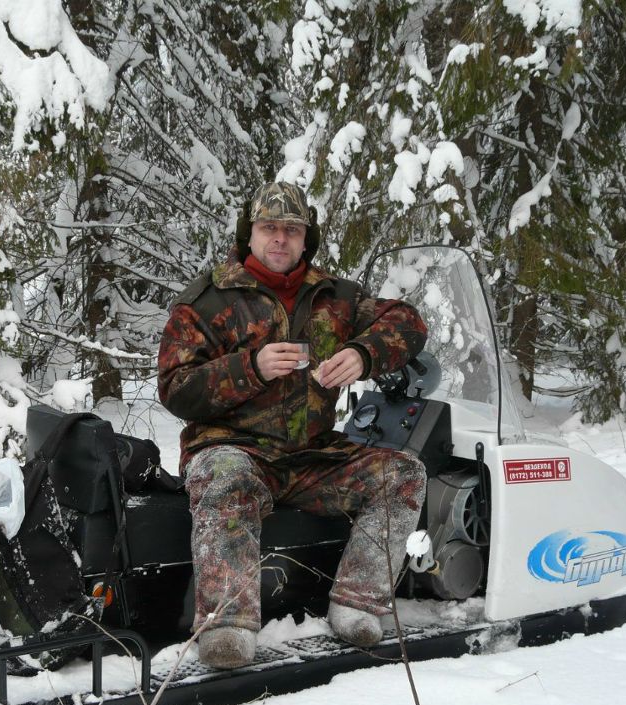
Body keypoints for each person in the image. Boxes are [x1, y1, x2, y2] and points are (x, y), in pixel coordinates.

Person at [157, 181, 428, 669]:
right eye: (268, 228)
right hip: (232, 449)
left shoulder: (337, 297)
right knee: (225, 474)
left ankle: (358, 603)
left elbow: (408, 323)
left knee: (403, 473)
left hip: (311, 454)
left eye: (292, 229)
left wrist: (362, 353)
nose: (279, 239)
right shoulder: (209, 300)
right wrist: (250, 368)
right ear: (250, 234)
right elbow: (175, 389)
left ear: (307, 239)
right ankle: (227, 623)